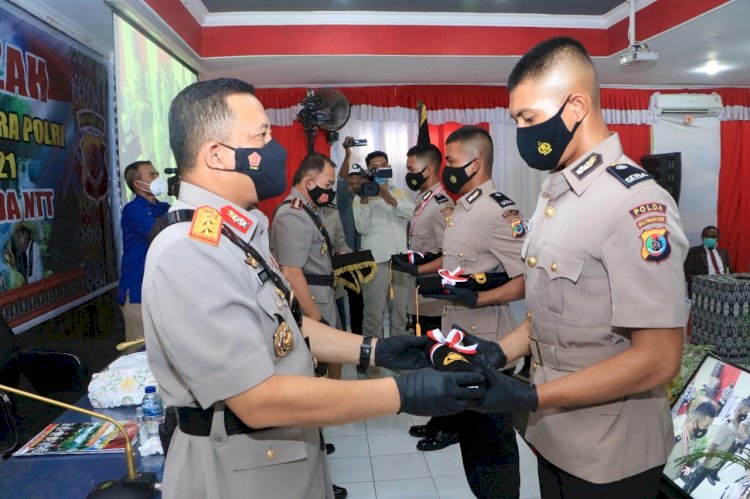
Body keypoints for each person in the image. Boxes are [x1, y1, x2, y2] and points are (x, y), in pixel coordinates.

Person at [142, 77, 487, 499]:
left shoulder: (235, 234)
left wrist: (372, 349)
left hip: (277, 455)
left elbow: (289, 329)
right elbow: (258, 399)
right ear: (216, 154)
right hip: (239, 471)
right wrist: (402, 392)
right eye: (262, 135)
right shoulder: (190, 250)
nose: (274, 149)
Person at [470, 36, 689, 498]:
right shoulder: (558, 194)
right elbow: (547, 316)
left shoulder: (634, 202)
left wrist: (532, 396)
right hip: (556, 434)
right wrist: (497, 353)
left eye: (528, 118)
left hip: (611, 451)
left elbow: (658, 359)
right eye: (517, 120)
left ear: (575, 107)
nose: (522, 131)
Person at [431, 125, 527, 498]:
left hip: (489, 346)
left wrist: (478, 299)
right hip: (459, 343)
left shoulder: (499, 211)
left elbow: (525, 279)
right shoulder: (462, 208)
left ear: (476, 163)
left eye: (452, 162)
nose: (447, 170)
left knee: (493, 444)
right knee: (473, 441)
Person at [390, 143, 458, 452]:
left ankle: (448, 426)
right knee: (428, 358)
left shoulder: (443, 203)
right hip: (421, 294)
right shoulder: (424, 200)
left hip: (434, 294)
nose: (408, 176)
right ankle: (436, 418)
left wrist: (418, 268)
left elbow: (450, 255)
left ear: (428, 170)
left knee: (440, 361)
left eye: (412, 170)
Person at [271, 153, 343, 379]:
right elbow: (291, 272)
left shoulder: (307, 209)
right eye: (328, 184)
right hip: (311, 300)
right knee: (319, 365)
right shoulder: (293, 213)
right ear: (309, 182)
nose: (331, 190)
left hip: (322, 294)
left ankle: (334, 401)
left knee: (335, 353)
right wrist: (315, 318)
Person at [353, 150, 415, 340]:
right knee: (373, 314)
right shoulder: (361, 197)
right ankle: (372, 362)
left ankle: (398, 357)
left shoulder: (399, 193)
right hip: (376, 263)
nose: (379, 169)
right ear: (368, 172)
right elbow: (362, 228)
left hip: (400, 262)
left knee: (400, 313)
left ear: (389, 167)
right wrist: (365, 199)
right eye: (374, 167)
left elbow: (412, 214)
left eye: (383, 165)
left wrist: (389, 198)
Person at [117, 160, 170, 341]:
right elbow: (158, 233)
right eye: (151, 175)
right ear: (137, 184)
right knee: (139, 350)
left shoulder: (163, 207)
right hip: (137, 289)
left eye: (157, 173)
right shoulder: (133, 210)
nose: (157, 178)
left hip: (158, 290)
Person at [683, 398, 750, 493]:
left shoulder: (735, 424)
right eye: (746, 412)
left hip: (714, 462)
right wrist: (703, 464)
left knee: (694, 485)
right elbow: (713, 445)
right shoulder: (728, 425)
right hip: (707, 462)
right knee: (691, 484)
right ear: (739, 411)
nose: (747, 415)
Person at [336, 140, 365, 334]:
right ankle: (341, 338)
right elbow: (341, 179)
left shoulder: (370, 200)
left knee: (359, 303)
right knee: (340, 300)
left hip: (365, 256)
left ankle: (357, 339)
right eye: (350, 183)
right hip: (345, 255)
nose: (353, 186)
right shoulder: (344, 201)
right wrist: (348, 154)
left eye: (358, 182)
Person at [664, 402, 718, 482]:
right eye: (706, 426)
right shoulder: (674, 439)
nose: (706, 430)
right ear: (694, 423)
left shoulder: (692, 439)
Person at [684, 225, 733, 295]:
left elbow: (729, 270)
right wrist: (703, 283)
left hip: (724, 288)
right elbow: (687, 274)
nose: (709, 238)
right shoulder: (693, 252)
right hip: (703, 290)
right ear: (702, 237)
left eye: (713, 236)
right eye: (707, 236)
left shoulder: (723, 252)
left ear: (717, 238)